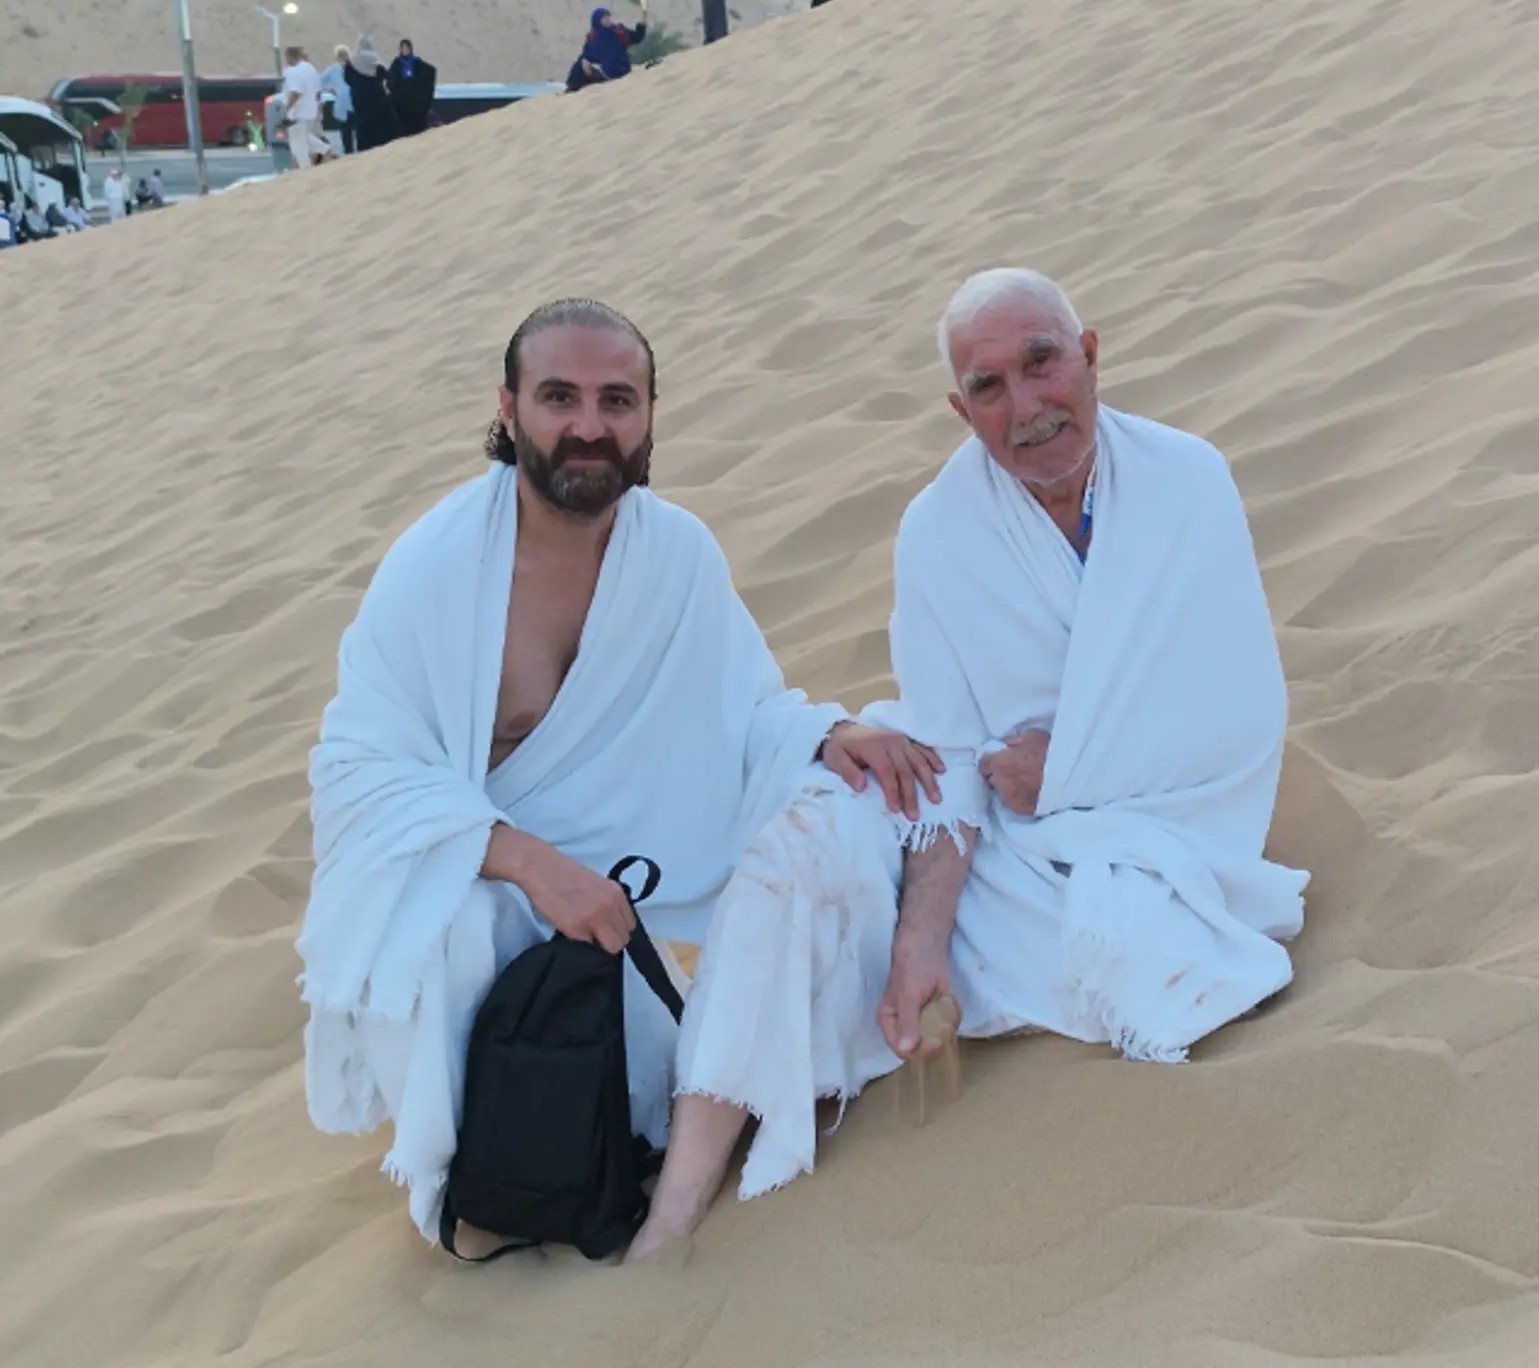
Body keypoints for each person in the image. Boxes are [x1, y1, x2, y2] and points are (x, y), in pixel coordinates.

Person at [297, 298, 941, 1260]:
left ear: (648, 414)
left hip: (639, 876)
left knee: (843, 806)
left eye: (617, 400)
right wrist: (534, 868)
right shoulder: (438, 571)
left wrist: (825, 731)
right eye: (559, 397)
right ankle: (487, 1185)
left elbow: (741, 714)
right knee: (451, 921)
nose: (590, 426)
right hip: (513, 894)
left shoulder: (673, 551)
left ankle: (703, 1124)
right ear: (509, 408)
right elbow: (358, 772)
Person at [872, 269, 1310, 1073]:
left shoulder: (1186, 479)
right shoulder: (935, 533)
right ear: (961, 411)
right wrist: (920, 942)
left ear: (1090, 356)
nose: (1026, 406)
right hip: (1013, 846)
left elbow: (1236, 720)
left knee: (1146, 944)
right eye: (988, 387)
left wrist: (1066, 774)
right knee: (832, 851)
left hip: (1181, 828)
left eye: (1041, 362)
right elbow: (952, 759)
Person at [564, 0, 648, 93]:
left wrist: (641, 27)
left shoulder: (618, 31)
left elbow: (637, 37)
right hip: (604, 71)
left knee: (584, 63)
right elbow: (588, 55)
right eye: (604, 17)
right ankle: (572, 88)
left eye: (608, 16)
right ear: (597, 20)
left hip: (619, 69)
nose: (607, 19)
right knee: (581, 64)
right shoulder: (593, 37)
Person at [344, 35, 398, 152]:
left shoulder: (351, 60)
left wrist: (357, 85)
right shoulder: (375, 59)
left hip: (358, 97)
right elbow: (386, 76)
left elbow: (347, 78)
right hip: (376, 96)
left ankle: (364, 148)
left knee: (362, 124)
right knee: (379, 123)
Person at [281, 45, 330, 170]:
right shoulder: (310, 68)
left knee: (298, 144)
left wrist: (286, 110)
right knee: (305, 137)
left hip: (297, 113)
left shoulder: (296, 71)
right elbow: (318, 91)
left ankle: (305, 168)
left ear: (290, 57)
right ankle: (325, 150)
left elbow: (295, 92)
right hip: (311, 111)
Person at [388, 38, 437, 136]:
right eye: (403, 48)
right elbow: (391, 78)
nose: (405, 50)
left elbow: (429, 71)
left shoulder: (416, 62)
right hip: (402, 102)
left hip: (414, 101)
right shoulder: (397, 63)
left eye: (406, 48)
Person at [319, 45, 357, 155]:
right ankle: (349, 153)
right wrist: (330, 89)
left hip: (354, 101)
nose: (343, 57)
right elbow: (320, 81)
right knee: (346, 131)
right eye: (341, 55)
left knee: (357, 129)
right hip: (342, 103)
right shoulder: (333, 69)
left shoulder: (354, 67)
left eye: (345, 55)